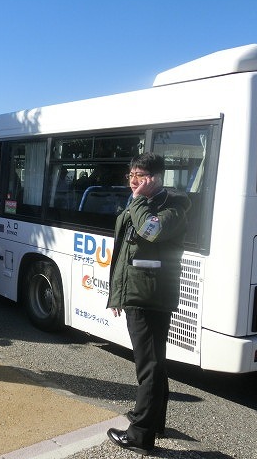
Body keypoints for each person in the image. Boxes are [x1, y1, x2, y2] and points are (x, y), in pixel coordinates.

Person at [106, 152, 191, 455]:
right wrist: (117, 295)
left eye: (140, 176)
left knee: (149, 366)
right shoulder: (143, 203)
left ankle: (140, 434)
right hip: (138, 293)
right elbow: (124, 253)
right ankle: (154, 422)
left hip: (150, 296)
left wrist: (139, 200)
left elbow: (150, 232)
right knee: (155, 363)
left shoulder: (174, 206)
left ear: (155, 178)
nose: (133, 182)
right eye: (131, 175)